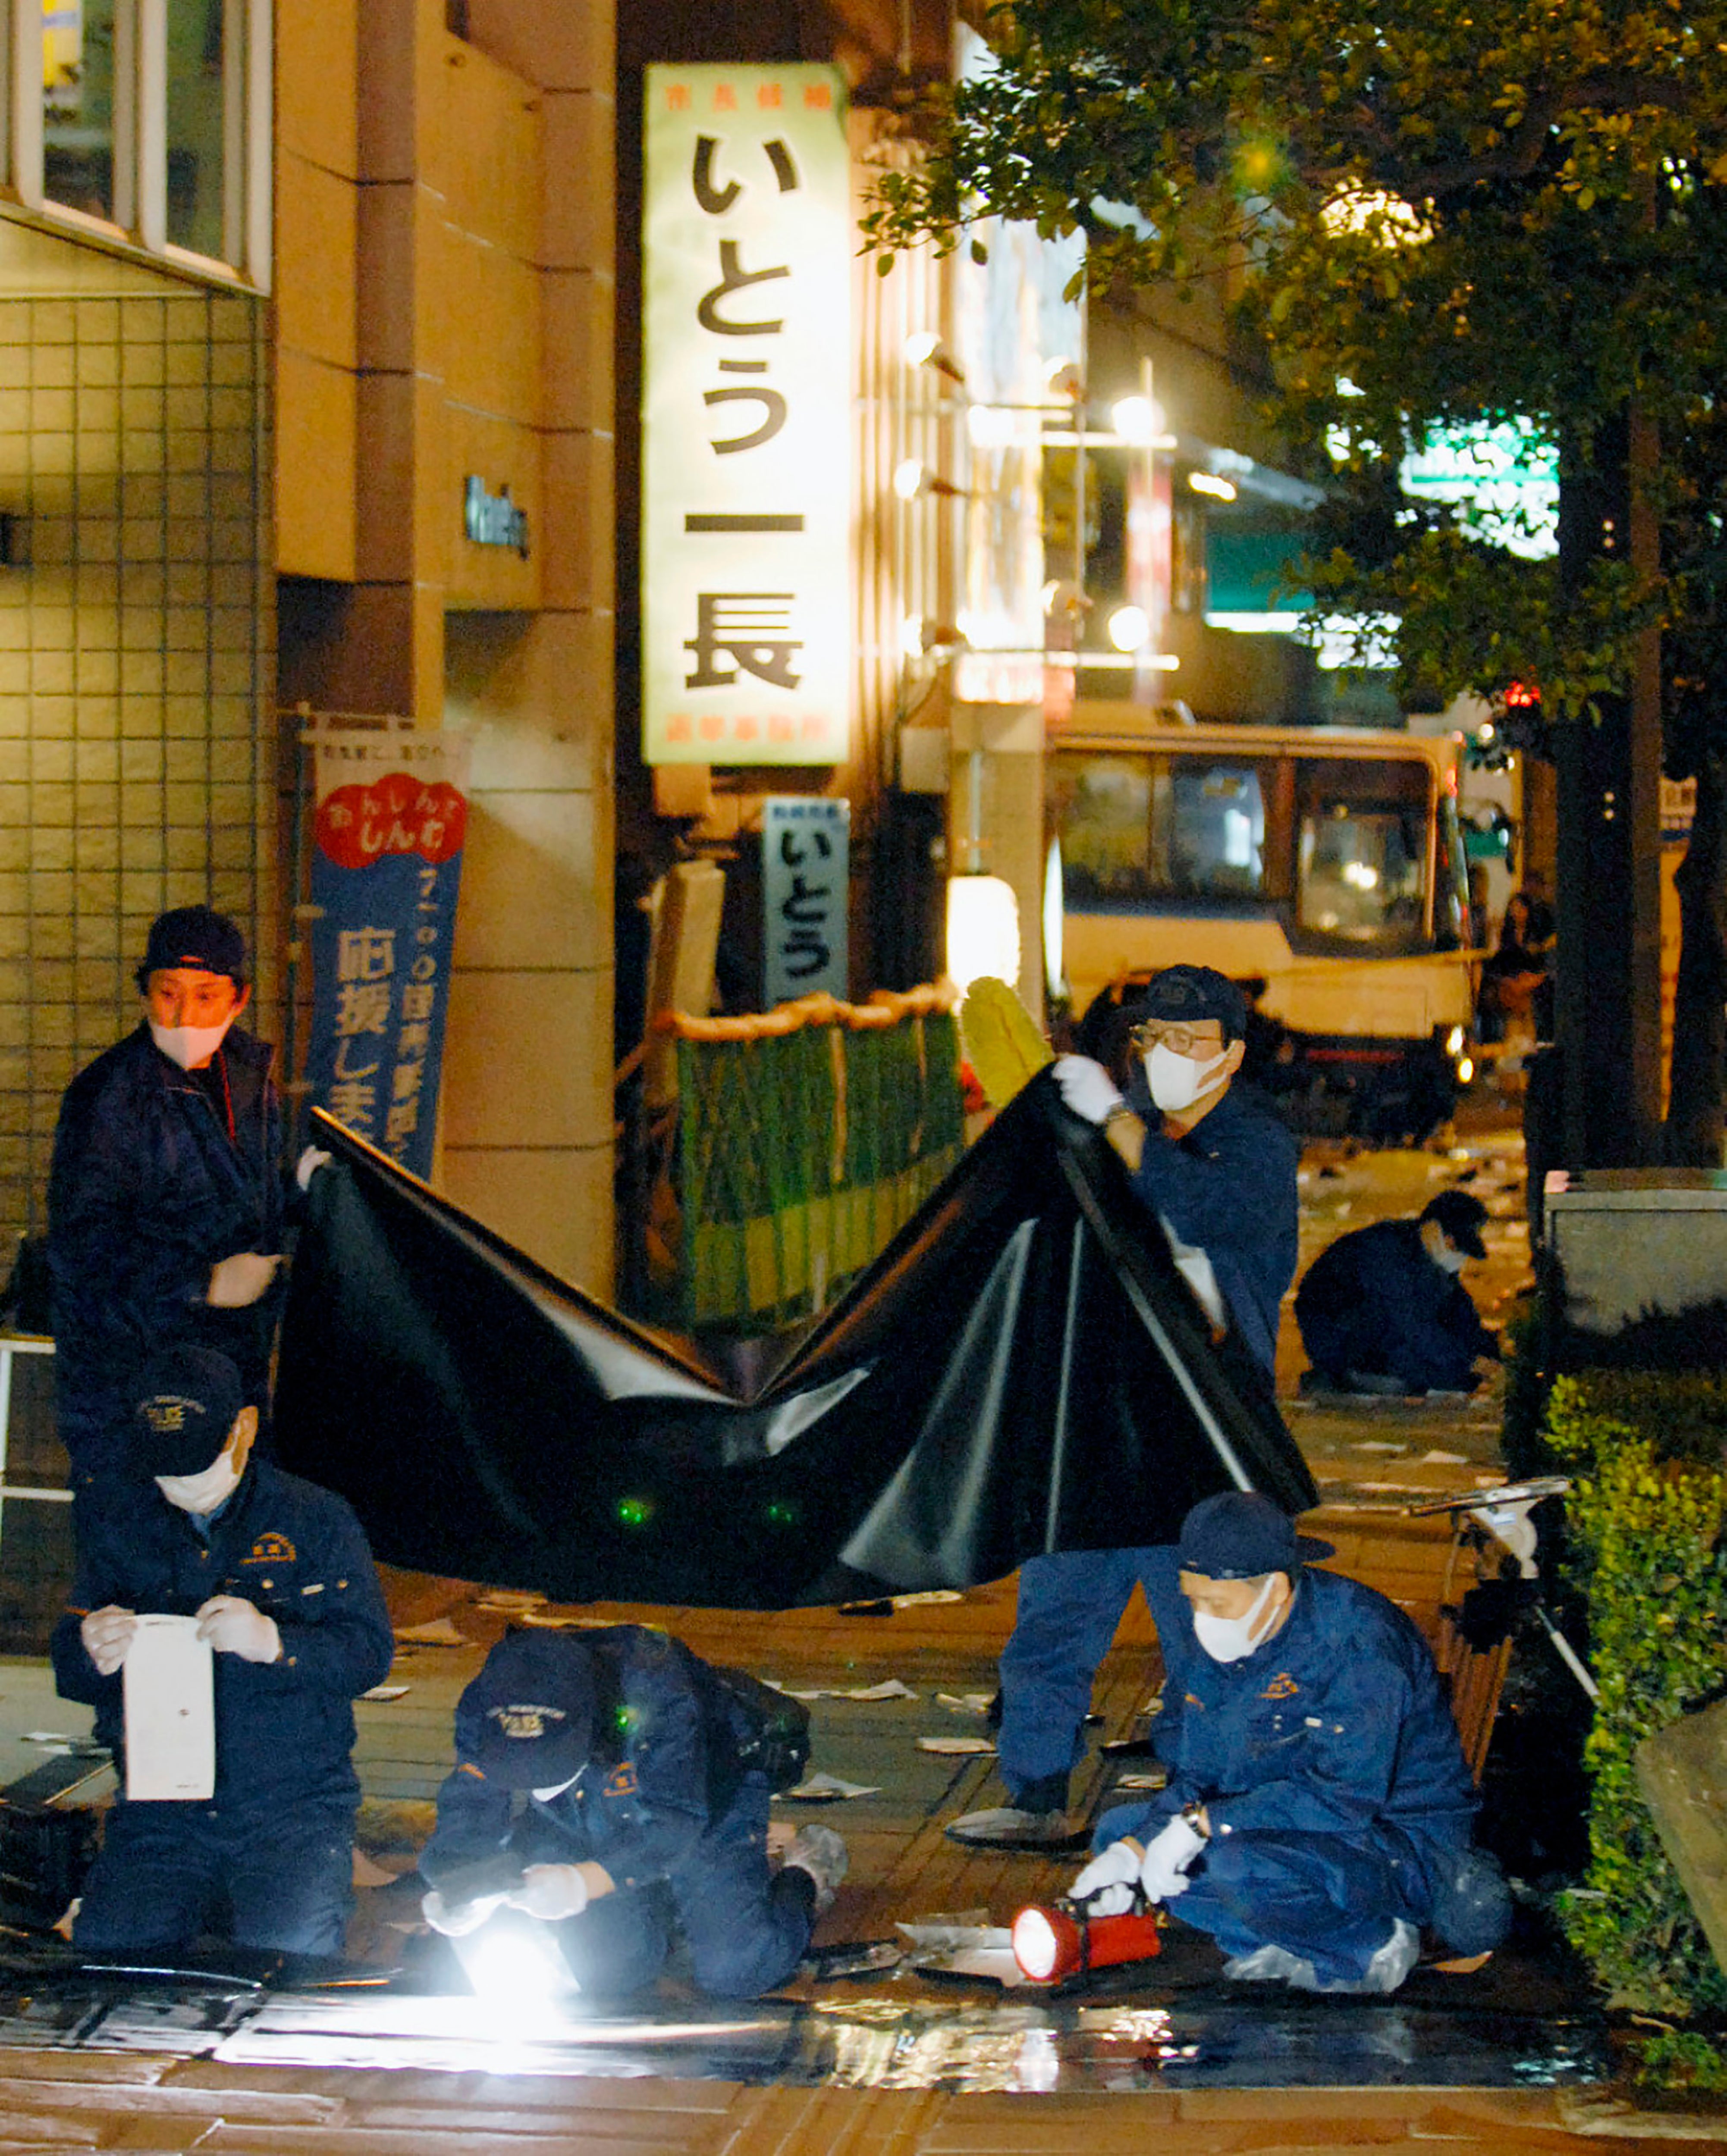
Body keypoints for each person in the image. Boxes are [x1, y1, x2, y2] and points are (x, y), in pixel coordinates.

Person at [950, 964, 1300, 1847]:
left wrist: (1109, 1122)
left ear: (1231, 1051)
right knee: (1056, 1612)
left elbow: (1196, 1205)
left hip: (1196, 1436)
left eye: (1190, 1042)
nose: (1168, 1057)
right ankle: (1034, 1790)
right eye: (1154, 1039)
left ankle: (1201, 1799)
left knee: (1201, 1632)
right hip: (1100, 1426)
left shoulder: (1251, 1145)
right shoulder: (1117, 1128)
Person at [1070, 1492, 1504, 1994]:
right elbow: (1198, 1776)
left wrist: (1202, 1823)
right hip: (1296, 1825)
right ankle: (1277, 1941)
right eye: (1192, 1598)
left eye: (1215, 1602)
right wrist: (1132, 1852)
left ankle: (1369, 1944)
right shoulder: (1225, 1637)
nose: (1201, 1617)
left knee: (1241, 1865)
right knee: (1119, 1830)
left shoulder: (1358, 1643)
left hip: (1396, 1839)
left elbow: (1343, 1798)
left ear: (1274, 1588)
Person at [51, 1344, 394, 1957]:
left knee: (290, 1951)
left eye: (196, 1464)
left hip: (291, 1806)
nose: (181, 1485)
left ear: (242, 1429)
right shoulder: (120, 1518)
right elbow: (71, 1665)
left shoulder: (314, 1519)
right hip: (163, 1805)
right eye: (166, 1468)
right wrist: (90, 1650)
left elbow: (368, 1653)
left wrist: (276, 1643)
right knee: (113, 1952)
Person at [419, 1626, 848, 1999]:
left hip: (707, 1801)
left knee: (734, 1968)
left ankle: (808, 1870)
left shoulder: (657, 1693)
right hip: (575, 1814)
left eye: (548, 1767)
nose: (533, 1782)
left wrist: (583, 1880)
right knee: (614, 1969)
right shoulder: (490, 1697)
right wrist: (457, 1882)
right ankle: (655, 1899)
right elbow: (469, 1802)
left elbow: (674, 1821)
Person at [48, 906, 292, 1498]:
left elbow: (266, 1201)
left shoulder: (252, 1079)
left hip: (230, 1368)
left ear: (239, 998)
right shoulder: (109, 1097)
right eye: (168, 994)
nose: (185, 1016)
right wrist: (200, 1283)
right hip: (129, 1377)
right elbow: (82, 1248)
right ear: (144, 994)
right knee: (140, 1560)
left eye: (207, 996)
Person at [1295, 1189, 1501, 1399]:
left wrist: (1490, 1350)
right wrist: (1469, 1361)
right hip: (1340, 1334)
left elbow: (1458, 1311)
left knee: (1458, 1373)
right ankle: (1341, 1375)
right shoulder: (1385, 1252)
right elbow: (1410, 1323)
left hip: (1385, 1331)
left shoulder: (1430, 1256)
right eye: (1452, 1243)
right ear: (1433, 1229)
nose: (1455, 1253)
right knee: (1436, 1374)